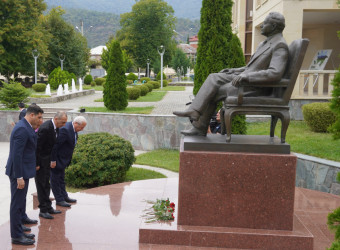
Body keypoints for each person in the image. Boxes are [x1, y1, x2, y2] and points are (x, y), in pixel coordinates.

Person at [174, 12, 288, 136]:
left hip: (256, 87)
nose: (261, 26)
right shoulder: (264, 44)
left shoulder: (280, 45)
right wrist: (233, 70)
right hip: (245, 81)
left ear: (273, 26)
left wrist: (246, 76)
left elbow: (275, 73)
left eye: (264, 23)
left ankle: (198, 124)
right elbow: (250, 67)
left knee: (214, 89)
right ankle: (195, 115)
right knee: (213, 78)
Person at [6, 105, 44, 245]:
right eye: (39, 117)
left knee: (20, 202)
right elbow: (16, 155)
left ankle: (19, 229)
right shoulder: (22, 128)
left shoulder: (25, 125)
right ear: (32, 115)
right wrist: (19, 177)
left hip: (24, 170)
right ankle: (16, 236)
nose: (41, 120)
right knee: (16, 204)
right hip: (18, 173)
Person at [35, 111, 68, 219]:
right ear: (56, 119)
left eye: (65, 123)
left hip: (47, 161)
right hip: (40, 163)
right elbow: (37, 147)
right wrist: (37, 164)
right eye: (62, 122)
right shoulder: (45, 128)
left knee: (46, 185)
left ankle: (48, 207)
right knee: (42, 186)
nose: (64, 125)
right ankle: (43, 210)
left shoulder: (56, 127)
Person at [50, 116, 87, 207]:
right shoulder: (65, 130)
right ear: (76, 123)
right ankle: (59, 199)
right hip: (57, 160)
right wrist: (53, 160)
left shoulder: (73, 129)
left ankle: (64, 196)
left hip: (63, 160)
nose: (82, 129)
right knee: (55, 180)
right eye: (81, 127)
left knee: (61, 179)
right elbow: (55, 146)